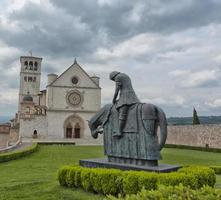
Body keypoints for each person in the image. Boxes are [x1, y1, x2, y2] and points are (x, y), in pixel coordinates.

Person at [109, 71, 140, 137]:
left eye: (113, 80)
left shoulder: (118, 77)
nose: (114, 81)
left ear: (113, 77)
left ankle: (119, 131)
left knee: (122, 113)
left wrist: (114, 99)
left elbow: (117, 90)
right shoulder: (125, 75)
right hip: (132, 95)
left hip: (125, 96)